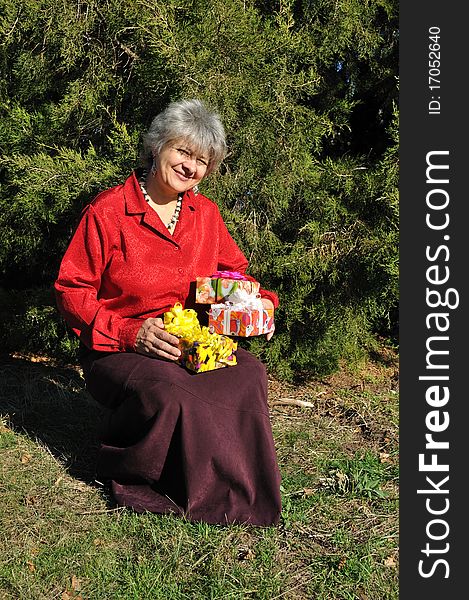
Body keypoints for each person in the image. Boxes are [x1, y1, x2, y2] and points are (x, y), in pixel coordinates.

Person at [54, 98, 282, 526]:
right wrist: (131, 333)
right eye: (183, 151)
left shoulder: (205, 215)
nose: (190, 167)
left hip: (191, 343)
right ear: (158, 146)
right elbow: (71, 289)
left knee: (248, 373)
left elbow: (235, 273)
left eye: (202, 161)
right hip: (116, 347)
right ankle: (145, 478)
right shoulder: (108, 212)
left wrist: (260, 302)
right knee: (171, 391)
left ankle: (238, 491)